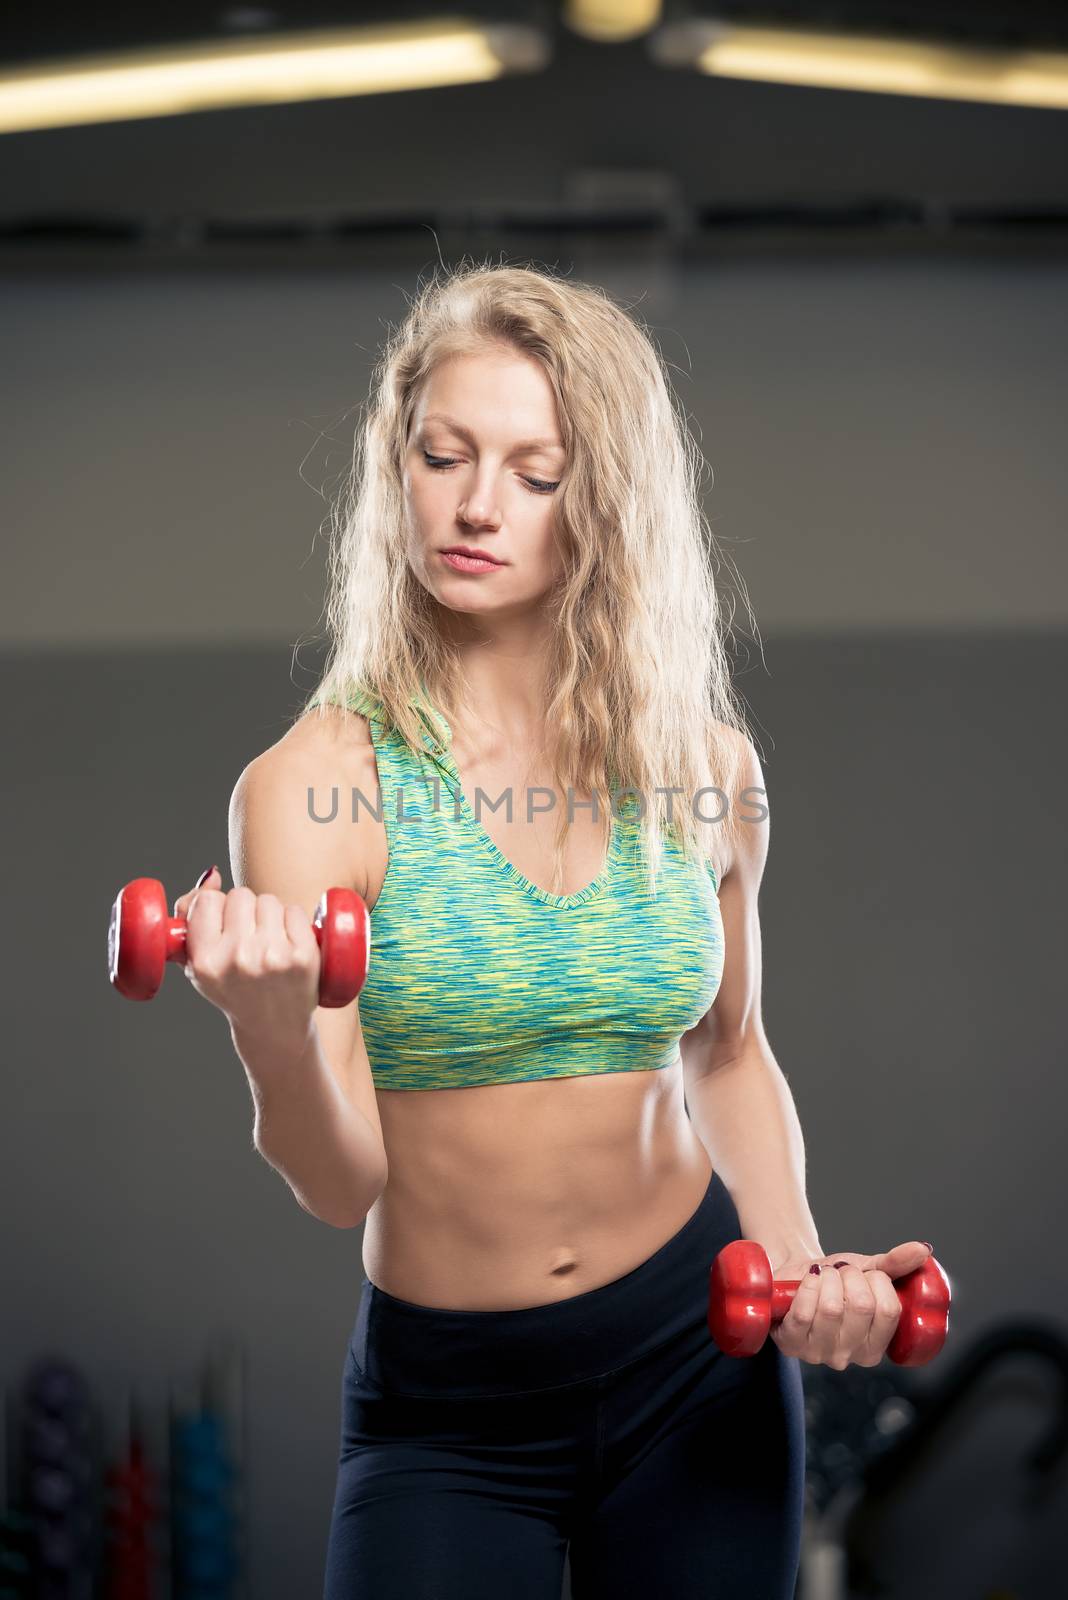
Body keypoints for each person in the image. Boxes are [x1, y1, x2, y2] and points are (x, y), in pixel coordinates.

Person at [172, 262, 932, 1599]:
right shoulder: (311, 783)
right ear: (394, 462)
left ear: (608, 502)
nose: (475, 505)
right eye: (444, 454)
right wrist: (273, 1034)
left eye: (537, 471)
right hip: (451, 1403)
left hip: (699, 1361)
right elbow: (342, 1180)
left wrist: (803, 1264)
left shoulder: (706, 767)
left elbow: (730, 1052)